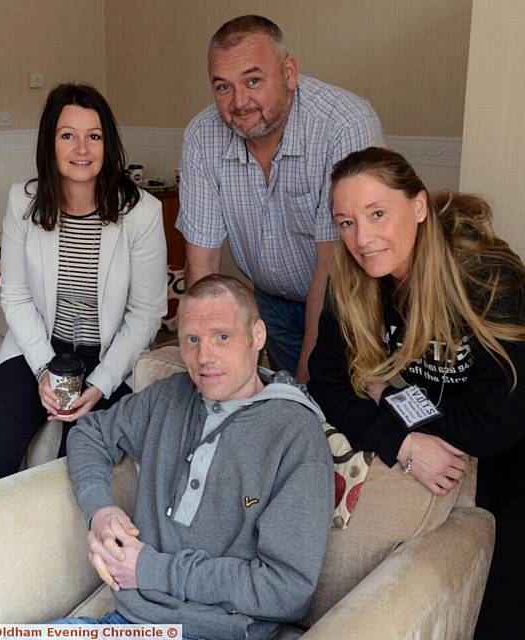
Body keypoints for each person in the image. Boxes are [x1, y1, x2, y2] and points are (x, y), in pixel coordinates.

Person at [307, 147, 525, 639]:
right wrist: (401, 442)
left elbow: (498, 422)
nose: (362, 239)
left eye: (377, 213)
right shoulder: (349, 279)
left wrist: (390, 397)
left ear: (419, 206)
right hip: (451, 437)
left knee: (501, 608)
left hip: (514, 450)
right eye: (346, 222)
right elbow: (325, 382)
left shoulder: (484, 277)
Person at [50, 275, 333, 639]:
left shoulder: (295, 436)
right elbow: (91, 433)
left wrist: (150, 569)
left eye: (222, 336)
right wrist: (100, 511)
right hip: (129, 624)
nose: (205, 357)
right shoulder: (168, 396)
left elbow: (286, 590)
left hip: (214, 632)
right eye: (192, 340)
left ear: (257, 336)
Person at [0, 83, 167, 486]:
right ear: (50, 143)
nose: (82, 148)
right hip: (39, 349)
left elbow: (146, 312)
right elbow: (16, 295)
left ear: (107, 144)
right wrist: (44, 369)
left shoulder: (142, 212)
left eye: (93, 136)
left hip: (110, 354)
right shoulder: (22, 202)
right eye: (68, 136)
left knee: (78, 469)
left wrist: (101, 383)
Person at [176, 15, 384, 382]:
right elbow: (202, 261)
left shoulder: (345, 124)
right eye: (223, 87)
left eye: (253, 81)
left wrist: (308, 378)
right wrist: (202, 353)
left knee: (333, 405)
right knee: (286, 409)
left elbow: (332, 264)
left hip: (345, 301)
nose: (239, 102)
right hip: (270, 302)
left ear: (289, 73)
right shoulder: (201, 136)